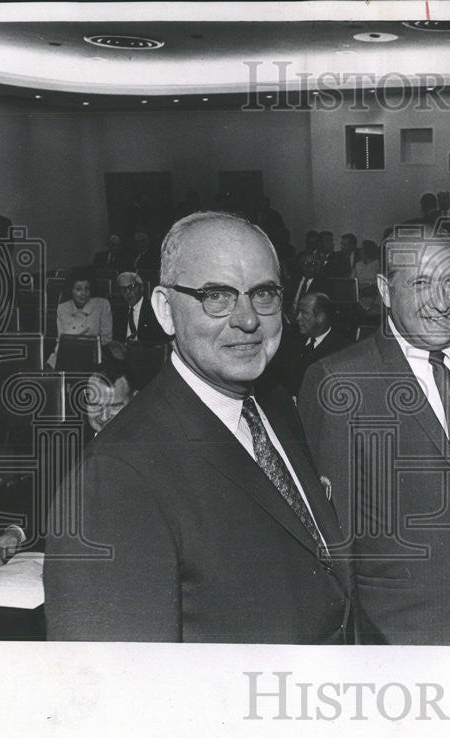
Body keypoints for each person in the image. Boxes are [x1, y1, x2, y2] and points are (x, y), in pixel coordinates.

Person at [43, 211, 349, 642]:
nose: (247, 319)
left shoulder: (274, 405)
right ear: (165, 312)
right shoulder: (114, 476)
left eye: (263, 294)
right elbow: (114, 692)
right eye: (217, 296)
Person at [298, 230, 450, 646]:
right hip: (395, 630)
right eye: (421, 283)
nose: (441, 301)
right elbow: (332, 539)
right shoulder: (339, 381)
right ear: (385, 290)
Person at [0, 362, 137, 569]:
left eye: (114, 406)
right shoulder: (64, 439)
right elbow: (40, 500)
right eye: (95, 405)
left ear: (135, 400)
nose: (103, 417)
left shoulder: (155, 447)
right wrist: (15, 534)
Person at [46, 269, 113, 368]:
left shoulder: (102, 305)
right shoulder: (62, 308)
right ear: (71, 290)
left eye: (87, 289)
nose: (83, 293)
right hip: (68, 355)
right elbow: (61, 340)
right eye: (78, 289)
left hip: (94, 355)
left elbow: (106, 339)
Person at [112, 271, 167, 346]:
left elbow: (159, 341)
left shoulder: (153, 309)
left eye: (132, 286)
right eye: (123, 289)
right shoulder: (119, 311)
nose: (127, 292)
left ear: (141, 288)